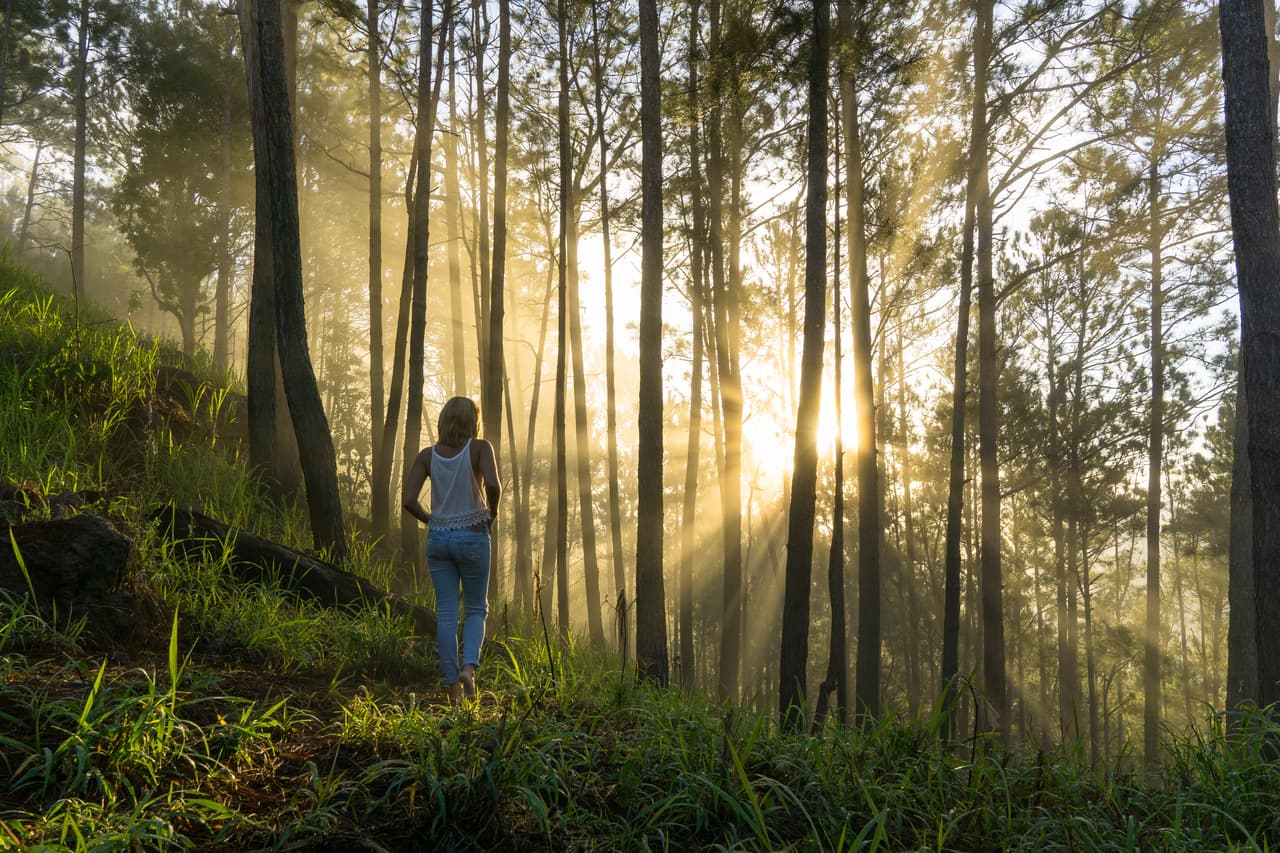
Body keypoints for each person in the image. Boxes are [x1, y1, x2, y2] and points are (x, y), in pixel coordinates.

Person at [402, 396, 501, 704]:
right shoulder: (480, 448)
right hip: (472, 536)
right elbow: (494, 486)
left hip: (439, 539)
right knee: (474, 609)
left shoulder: (427, 456)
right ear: (472, 422)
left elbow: (407, 500)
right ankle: (468, 670)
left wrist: (431, 520)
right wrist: (490, 515)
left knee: (446, 613)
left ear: (444, 420)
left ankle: (452, 687)